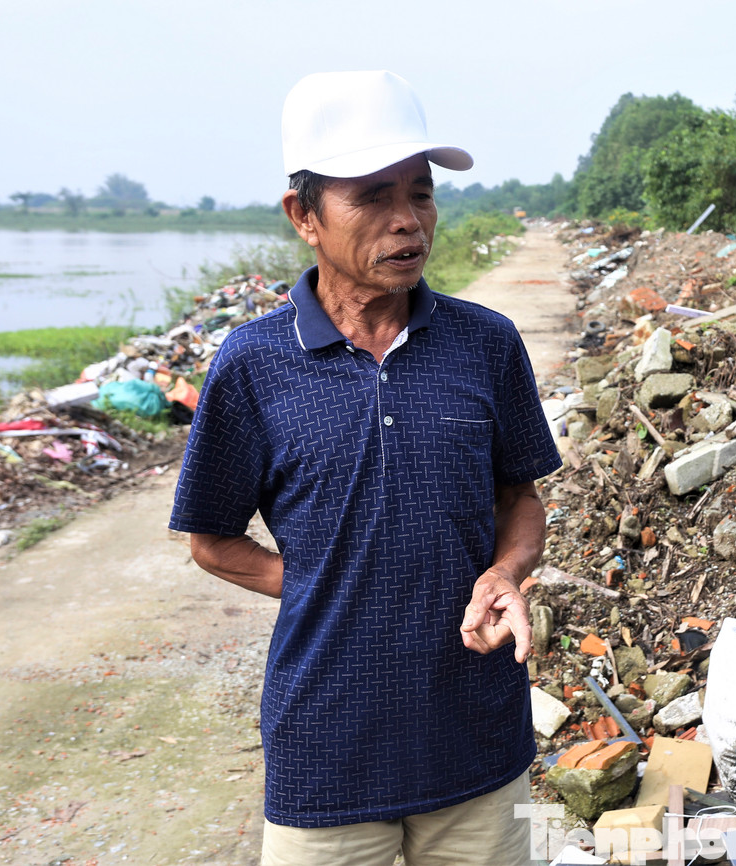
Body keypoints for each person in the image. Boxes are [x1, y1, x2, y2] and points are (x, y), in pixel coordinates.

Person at [169, 70, 562, 865]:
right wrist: (321, 580)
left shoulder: (485, 343)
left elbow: (518, 498)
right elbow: (211, 540)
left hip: (479, 749)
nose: (406, 221)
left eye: (420, 194)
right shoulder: (253, 365)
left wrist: (508, 571)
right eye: (372, 197)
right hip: (327, 756)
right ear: (303, 216)